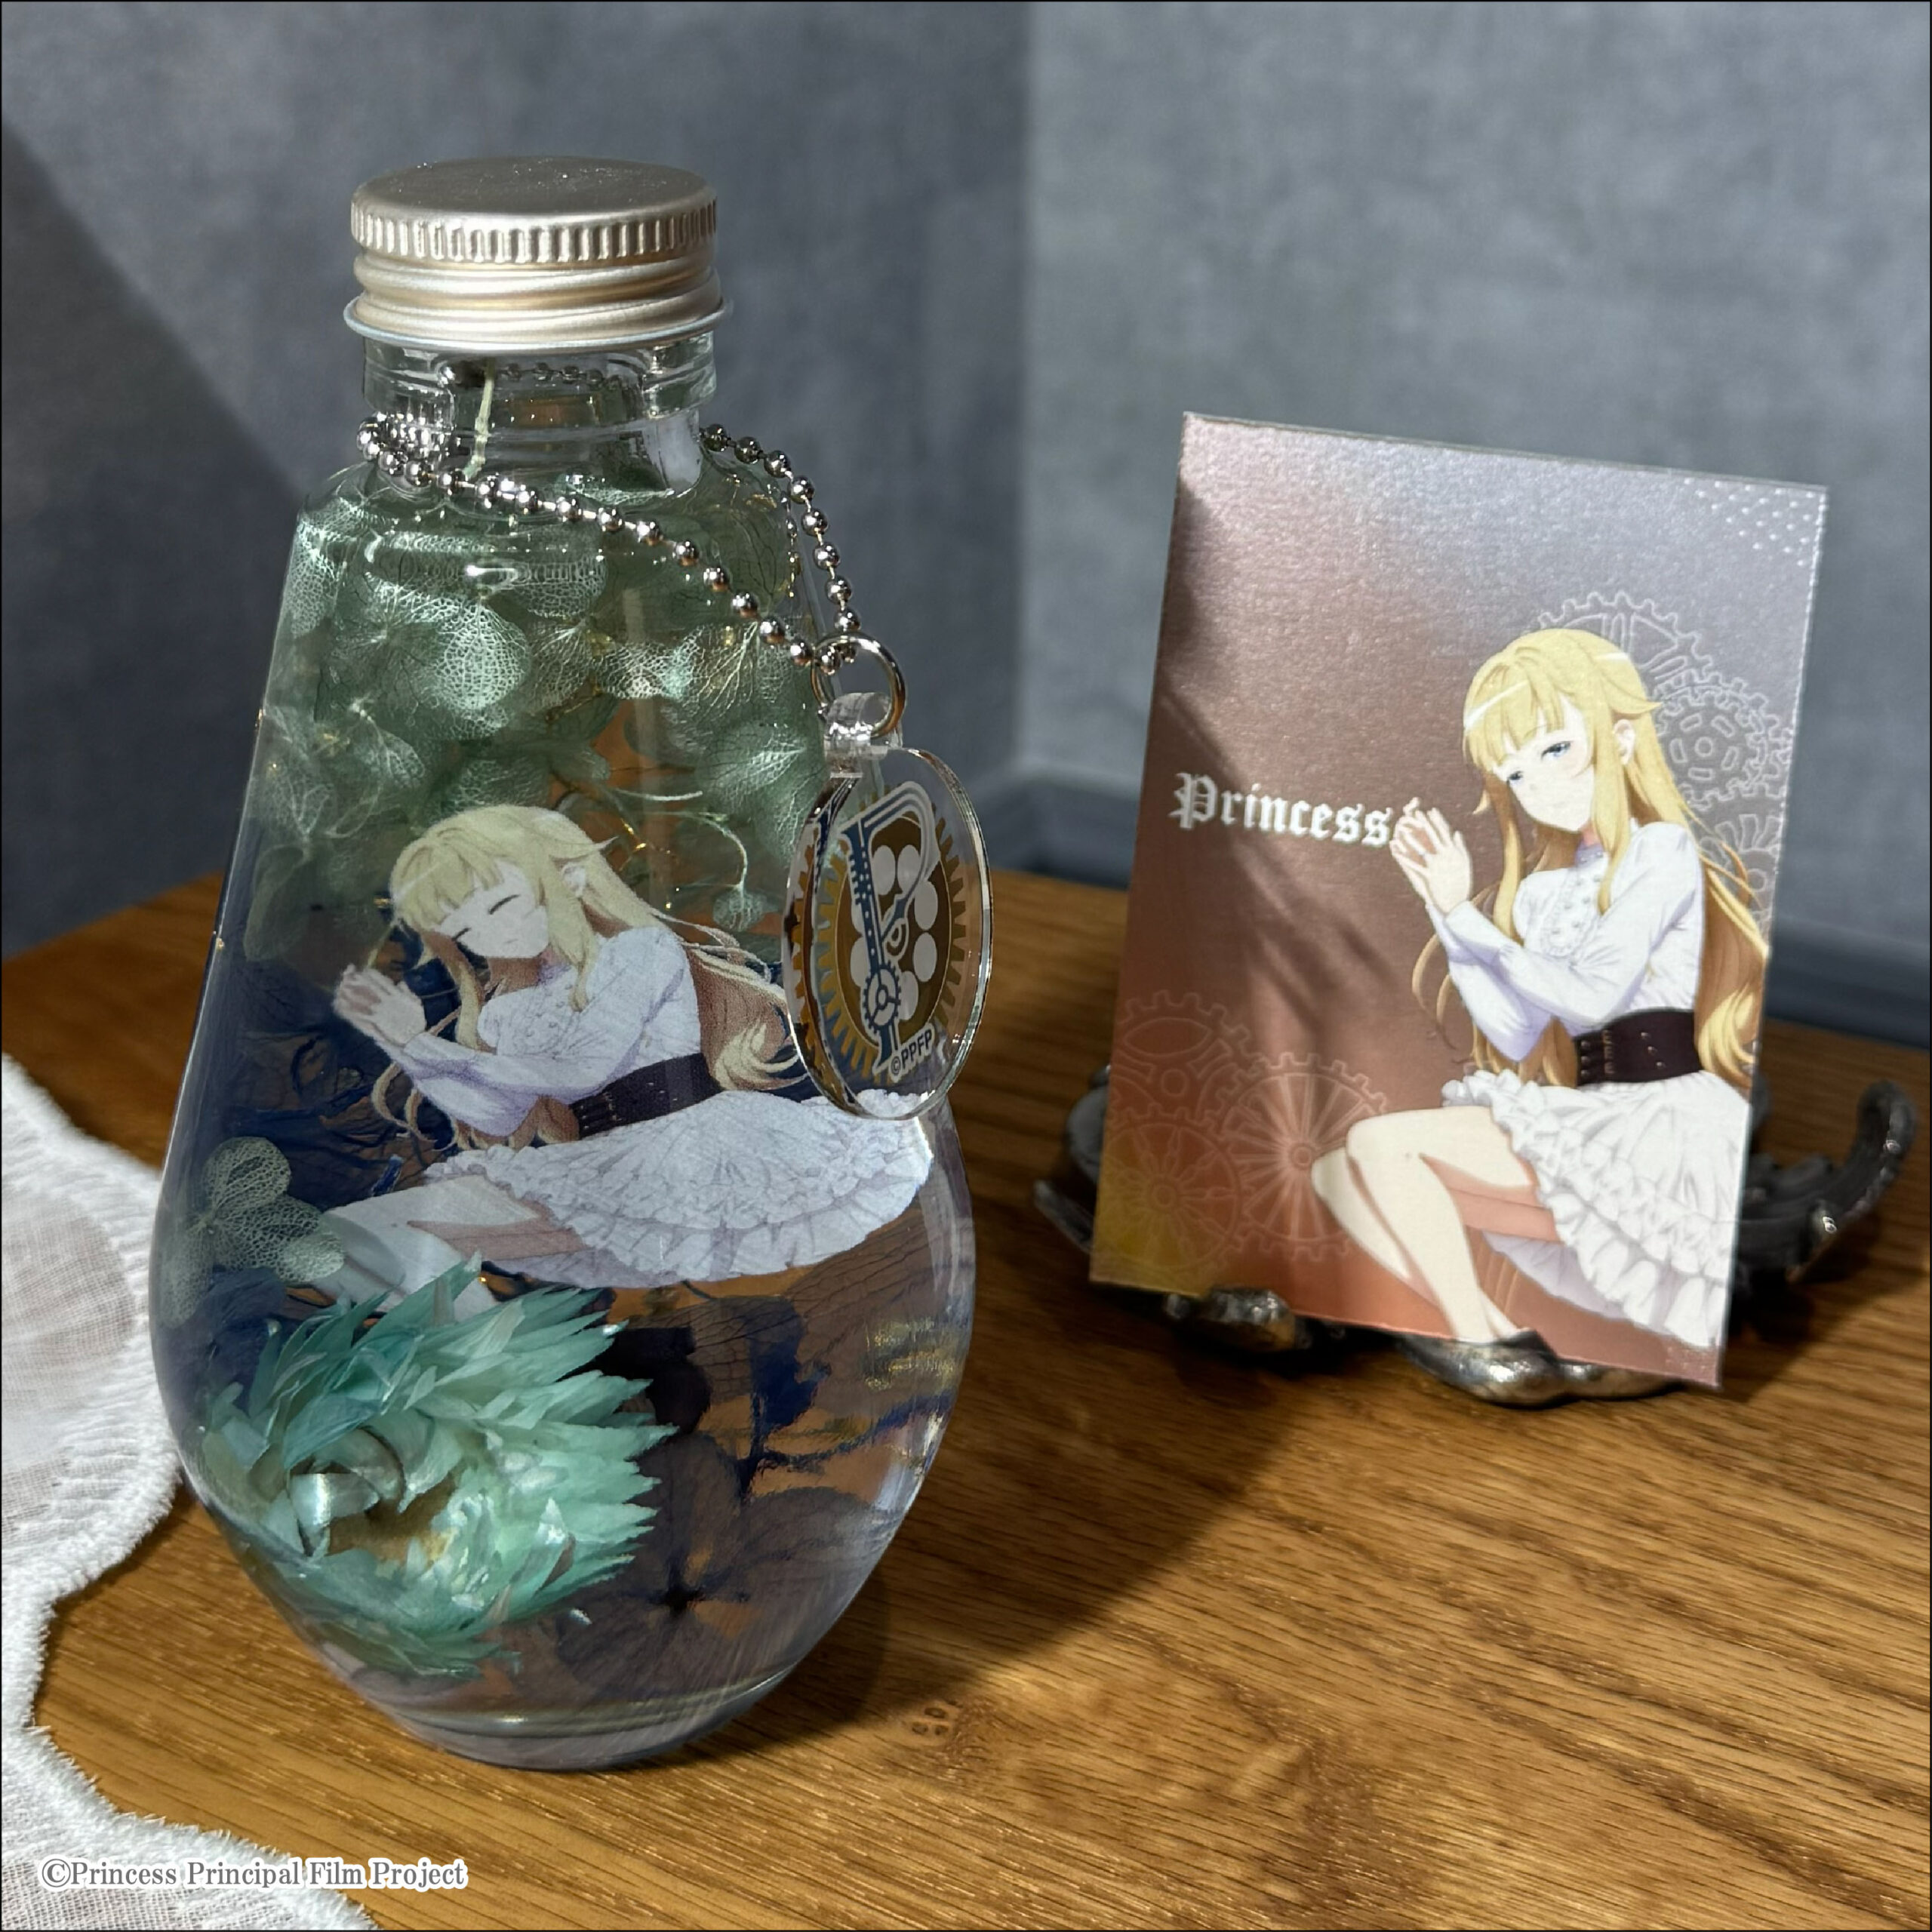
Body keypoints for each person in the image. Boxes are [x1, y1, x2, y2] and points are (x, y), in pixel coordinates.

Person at [1311, 629, 1765, 1353]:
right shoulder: (1542, 892)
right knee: (1335, 1173)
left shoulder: (1661, 851)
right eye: (1516, 774)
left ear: (1620, 740)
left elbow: (1593, 996)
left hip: (1660, 1124)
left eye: (1555, 749)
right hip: (1590, 1121)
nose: (1540, 785)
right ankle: (1495, 1337)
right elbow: (1515, 1030)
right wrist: (1443, 911)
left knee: (1376, 1146)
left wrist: (1467, 922)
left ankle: (1479, 1340)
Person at [322, 804, 931, 1300]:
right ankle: (482, 1372)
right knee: (363, 1233)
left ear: (569, 880)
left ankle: (492, 1372)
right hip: (598, 1167)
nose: (492, 935)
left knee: (394, 1232)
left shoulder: (638, 953)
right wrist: (402, 1046)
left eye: (503, 906)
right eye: (467, 931)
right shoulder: (510, 1007)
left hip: (697, 1148)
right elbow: (499, 1115)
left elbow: (579, 1071)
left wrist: (423, 1045)